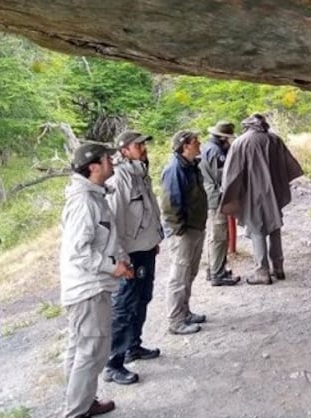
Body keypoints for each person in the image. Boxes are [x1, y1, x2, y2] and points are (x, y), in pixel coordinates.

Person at [59, 142, 134, 418]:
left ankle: (83, 401)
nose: (112, 162)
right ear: (93, 167)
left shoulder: (93, 196)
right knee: (91, 351)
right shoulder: (83, 202)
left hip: (90, 285)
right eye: (107, 159)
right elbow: (79, 252)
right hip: (86, 287)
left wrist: (116, 262)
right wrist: (112, 266)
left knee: (81, 349)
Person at [102, 130, 165, 386]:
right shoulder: (120, 178)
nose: (142, 147)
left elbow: (148, 209)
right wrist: (120, 258)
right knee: (125, 305)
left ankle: (133, 346)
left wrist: (155, 239)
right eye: (136, 145)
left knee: (143, 298)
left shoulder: (140, 172)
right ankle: (113, 363)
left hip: (146, 247)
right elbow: (114, 222)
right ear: (124, 150)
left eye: (142, 144)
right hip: (131, 252)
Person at [220, 113, 303, 285]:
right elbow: (288, 165)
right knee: (274, 227)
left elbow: (231, 173)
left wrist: (230, 192)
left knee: (257, 228)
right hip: (274, 191)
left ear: (248, 125)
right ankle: (278, 267)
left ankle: (262, 271)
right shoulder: (274, 139)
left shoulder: (241, 142)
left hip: (252, 193)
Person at [160, 130, 209, 334]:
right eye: (195, 141)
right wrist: (179, 231)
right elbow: (170, 203)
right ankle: (176, 320)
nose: (199, 143)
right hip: (184, 231)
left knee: (190, 272)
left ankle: (184, 312)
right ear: (186, 145)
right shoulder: (175, 169)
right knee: (179, 276)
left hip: (194, 227)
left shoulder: (190, 166)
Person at [199, 121, 240, 287]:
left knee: (214, 235)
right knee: (219, 235)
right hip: (216, 198)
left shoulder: (207, 147)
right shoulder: (217, 152)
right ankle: (217, 273)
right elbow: (223, 176)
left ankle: (214, 269)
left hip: (209, 195)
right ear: (223, 138)